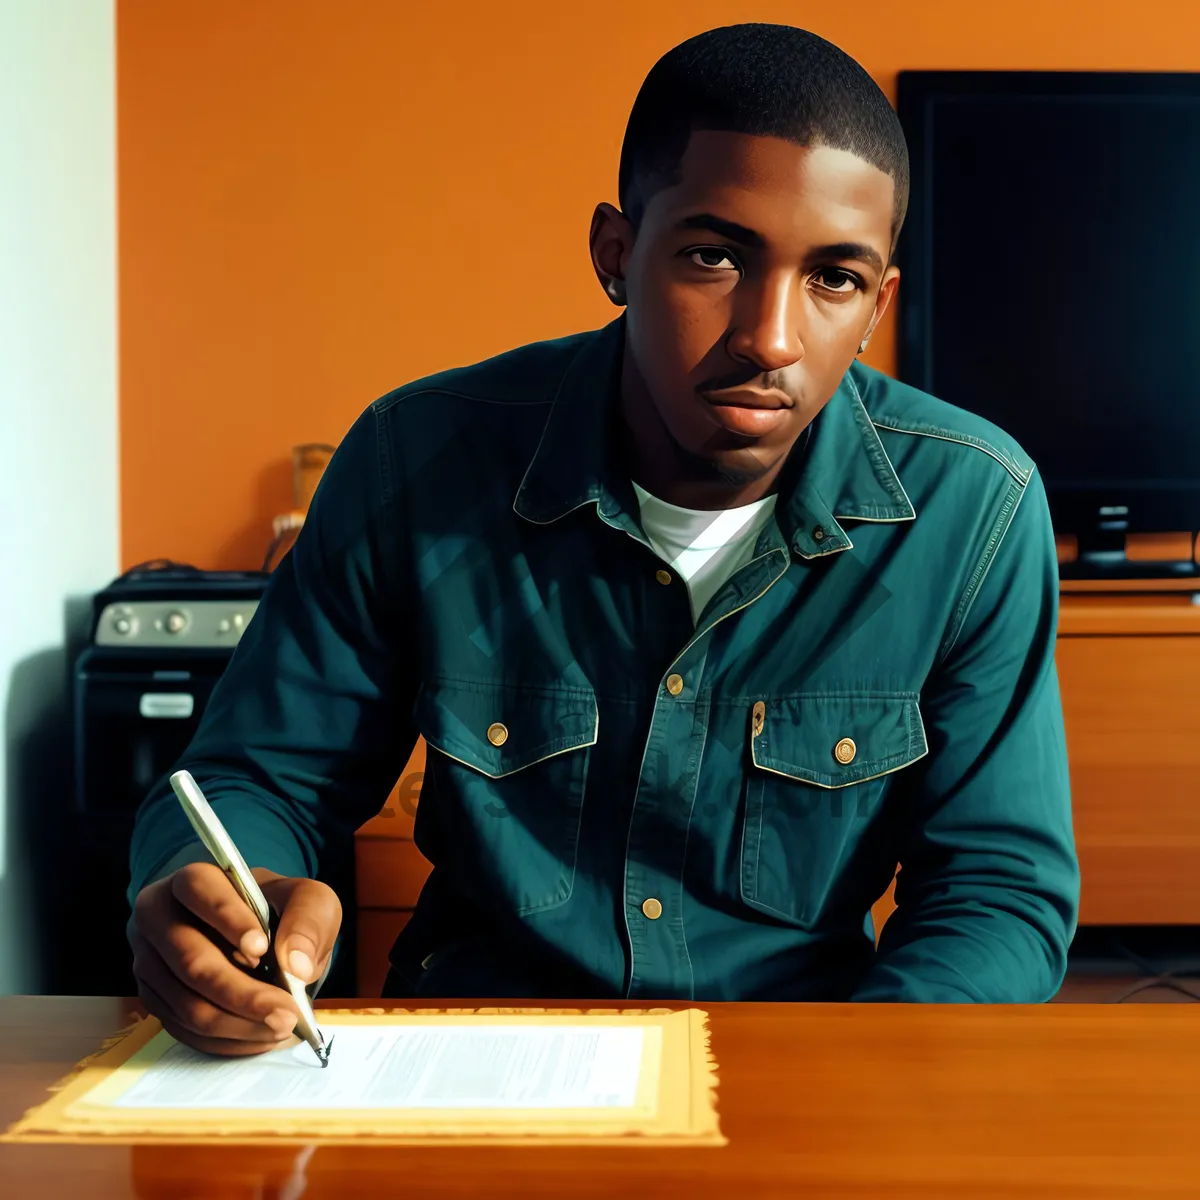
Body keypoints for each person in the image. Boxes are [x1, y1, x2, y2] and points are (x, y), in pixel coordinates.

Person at [126, 22, 1080, 1056]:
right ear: (616, 254)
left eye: (834, 280)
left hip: (804, 1062)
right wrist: (230, 897)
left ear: (878, 302)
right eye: (714, 256)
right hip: (475, 1059)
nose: (769, 337)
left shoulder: (974, 508)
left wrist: (855, 1083)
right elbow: (257, 779)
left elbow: (998, 891)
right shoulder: (416, 460)